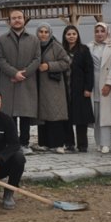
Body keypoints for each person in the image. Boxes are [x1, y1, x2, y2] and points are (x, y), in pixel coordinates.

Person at [0, 10, 40, 152]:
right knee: (10, 115)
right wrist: (14, 73)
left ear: (24, 19)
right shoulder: (2, 39)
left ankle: (24, 143)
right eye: (14, 18)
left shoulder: (34, 39)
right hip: (9, 81)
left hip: (27, 81)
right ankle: (12, 143)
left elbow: (37, 59)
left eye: (19, 17)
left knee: (25, 114)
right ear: (9, 21)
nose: (17, 20)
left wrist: (23, 74)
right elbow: (0, 59)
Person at [35, 23, 70, 153]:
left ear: (50, 33)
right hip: (38, 86)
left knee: (54, 114)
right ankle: (43, 143)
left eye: (46, 32)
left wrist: (49, 66)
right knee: (42, 115)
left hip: (53, 86)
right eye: (41, 31)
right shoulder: (35, 46)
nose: (43, 34)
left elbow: (66, 62)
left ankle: (57, 144)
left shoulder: (56, 46)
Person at [61, 25, 94, 153]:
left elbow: (89, 70)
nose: (71, 36)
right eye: (68, 34)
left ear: (77, 35)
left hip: (80, 89)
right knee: (66, 117)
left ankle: (82, 145)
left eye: (74, 34)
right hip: (65, 88)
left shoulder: (84, 50)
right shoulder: (61, 50)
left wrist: (88, 87)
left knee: (81, 118)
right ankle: (69, 143)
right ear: (65, 36)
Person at [89, 22, 111, 154]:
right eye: (97, 31)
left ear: (107, 32)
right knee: (96, 113)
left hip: (106, 82)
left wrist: (108, 83)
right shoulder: (89, 47)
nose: (99, 34)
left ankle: (106, 143)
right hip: (93, 82)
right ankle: (98, 142)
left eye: (102, 31)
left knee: (105, 114)